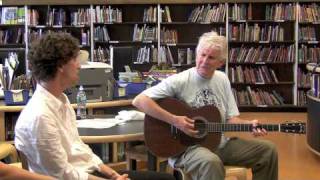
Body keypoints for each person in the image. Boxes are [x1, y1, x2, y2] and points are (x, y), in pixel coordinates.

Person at [14, 32, 175, 180]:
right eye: (75, 60)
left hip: (87, 173)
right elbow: (63, 174)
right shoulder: (40, 116)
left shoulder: (61, 100)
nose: (79, 66)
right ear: (61, 65)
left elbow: (79, 148)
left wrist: (112, 174)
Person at [133, 31, 278, 180]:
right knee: (211, 162)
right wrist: (175, 120)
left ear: (220, 62)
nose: (204, 61)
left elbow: (230, 119)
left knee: (268, 151)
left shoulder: (222, 80)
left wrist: (249, 125)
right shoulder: (180, 80)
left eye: (211, 57)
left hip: (219, 144)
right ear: (196, 55)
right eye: (202, 55)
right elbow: (139, 100)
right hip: (188, 149)